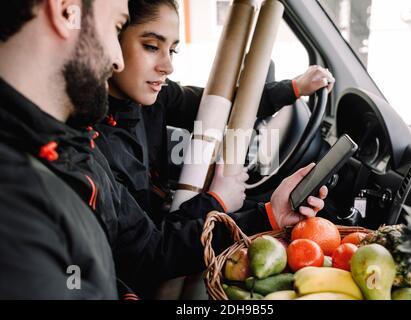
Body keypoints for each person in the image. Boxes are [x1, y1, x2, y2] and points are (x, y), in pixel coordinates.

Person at [0, 0, 327, 299]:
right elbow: (145, 256)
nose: (115, 60)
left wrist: (268, 214)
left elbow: (140, 251)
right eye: (117, 29)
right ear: (66, 10)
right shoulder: (37, 185)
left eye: (173, 50)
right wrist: (216, 202)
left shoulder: (76, 149)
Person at [94, 0, 335, 225]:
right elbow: (149, 252)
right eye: (151, 46)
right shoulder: (97, 145)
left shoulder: (152, 98)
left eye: (172, 51)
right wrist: (217, 201)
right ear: (110, 40)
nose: (168, 66)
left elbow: (221, 105)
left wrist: (295, 88)